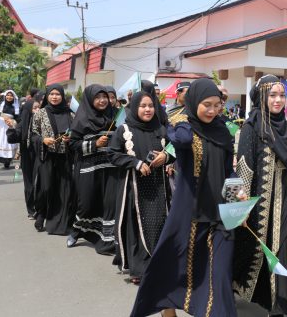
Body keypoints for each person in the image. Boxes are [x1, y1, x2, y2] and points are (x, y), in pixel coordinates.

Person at [131, 78, 237, 317]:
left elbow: (230, 168)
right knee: (173, 263)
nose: (212, 110)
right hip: (189, 211)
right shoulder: (181, 126)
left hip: (221, 214)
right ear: (193, 103)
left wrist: (236, 197)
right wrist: (183, 118)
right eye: (205, 104)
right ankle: (167, 306)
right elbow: (183, 141)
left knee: (219, 275)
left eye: (216, 105)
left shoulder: (222, 130)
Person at [233, 75, 287, 316]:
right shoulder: (252, 126)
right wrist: (239, 207)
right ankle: (233, 288)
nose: (278, 100)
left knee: (282, 248)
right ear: (262, 97)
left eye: (282, 95)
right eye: (273, 95)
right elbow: (243, 167)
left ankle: (280, 304)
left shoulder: (286, 126)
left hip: (285, 198)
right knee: (251, 247)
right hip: (258, 201)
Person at [109, 91, 172, 284]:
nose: (147, 109)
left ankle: (157, 264)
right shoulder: (124, 129)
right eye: (143, 106)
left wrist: (167, 159)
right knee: (136, 225)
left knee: (158, 224)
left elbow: (173, 149)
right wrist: (135, 163)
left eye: (151, 106)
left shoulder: (161, 129)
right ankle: (139, 268)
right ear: (135, 107)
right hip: (133, 188)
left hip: (158, 187)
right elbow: (113, 154)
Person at [66, 84, 116, 253]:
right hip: (88, 168)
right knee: (86, 204)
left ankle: (107, 239)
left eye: (104, 97)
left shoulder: (114, 117)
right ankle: (76, 231)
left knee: (108, 204)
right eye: (97, 97)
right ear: (89, 99)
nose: (102, 101)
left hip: (110, 169)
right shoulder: (81, 119)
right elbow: (73, 144)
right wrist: (94, 144)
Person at [31, 84, 75, 235]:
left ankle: (62, 222)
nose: (55, 97)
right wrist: (43, 140)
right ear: (47, 96)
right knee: (46, 187)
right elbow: (33, 135)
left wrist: (71, 138)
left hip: (65, 157)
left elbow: (76, 132)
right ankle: (41, 213)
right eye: (52, 94)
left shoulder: (70, 114)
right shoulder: (40, 114)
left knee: (64, 190)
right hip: (47, 156)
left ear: (62, 96)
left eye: (58, 94)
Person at [6, 97, 41, 218]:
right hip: (27, 156)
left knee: (40, 182)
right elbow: (12, 138)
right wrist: (11, 128)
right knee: (30, 184)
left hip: (41, 155)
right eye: (35, 108)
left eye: (39, 107)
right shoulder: (23, 124)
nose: (37, 110)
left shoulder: (44, 121)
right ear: (28, 110)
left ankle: (41, 208)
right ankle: (31, 209)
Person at [0, 90, 20, 169]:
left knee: (8, 142)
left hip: (9, 125)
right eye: (8, 95)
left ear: (14, 97)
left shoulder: (16, 107)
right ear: (5, 96)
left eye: (11, 95)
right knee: (0, 141)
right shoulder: (0, 104)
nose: (9, 97)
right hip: (0, 125)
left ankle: (7, 161)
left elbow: (18, 119)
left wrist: (12, 121)